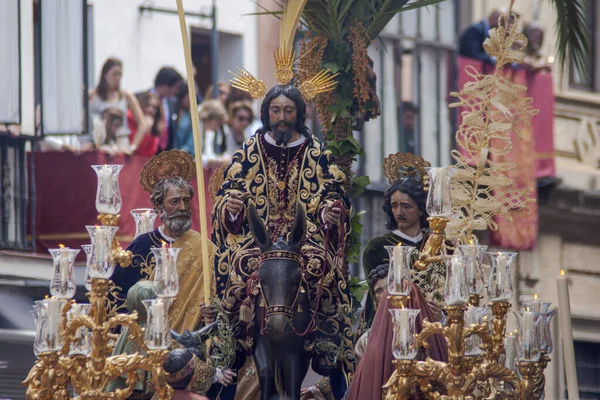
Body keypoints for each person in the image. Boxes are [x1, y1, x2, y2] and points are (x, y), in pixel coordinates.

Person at [212, 84, 355, 395]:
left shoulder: (317, 151)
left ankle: (327, 347)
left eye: (288, 111)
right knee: (236, 268)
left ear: (298, 114)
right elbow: (230, 191)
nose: (281, 117)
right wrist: (233, 208)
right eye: (275, 111)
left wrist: (330, 213)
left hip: (306, 239)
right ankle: (231, 345)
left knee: (322, 269)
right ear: (266, 113)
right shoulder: (250, 150)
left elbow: (334, 193)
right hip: (258, 239)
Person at [110, 150, 216, 334]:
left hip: (193, 340)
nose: (182, 207)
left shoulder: (204, 247)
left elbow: (219, 292)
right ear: (159, 207)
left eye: (186, 200)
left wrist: (214, 311)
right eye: (174, 201)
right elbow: (115, 297)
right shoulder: (141, 247)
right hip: (147, 339)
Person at [89, 58, 150, 153]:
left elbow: (143, 123)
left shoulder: (126, 95)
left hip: (120, 142)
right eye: (114, 74)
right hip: (97, 141)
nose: (117, 78)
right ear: (105, 75)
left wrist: (133, 146)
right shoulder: (92, 95)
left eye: (120, 74)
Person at [143, 67, 184, 152]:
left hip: (165, 154)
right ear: (166, 85)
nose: (177, 91)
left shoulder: (173, 102)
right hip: (146, 153)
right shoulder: (140, 98)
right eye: (176, 87)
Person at [128, 91, 163, 156]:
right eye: (147, 105)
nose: (150, 110)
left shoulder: (154, 129)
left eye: (154, 107)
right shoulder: (129, 118)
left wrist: (147, 132)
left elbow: (150, 153)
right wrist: (143, 127)